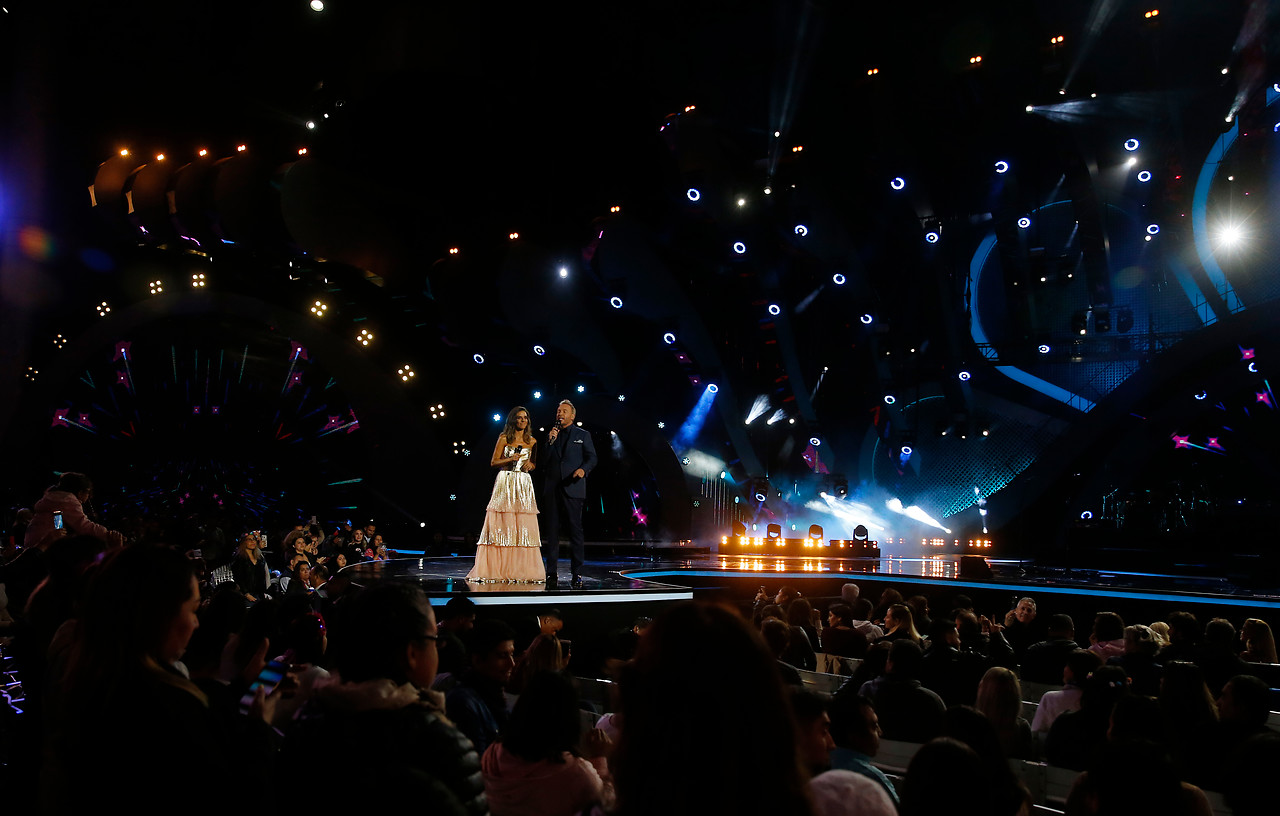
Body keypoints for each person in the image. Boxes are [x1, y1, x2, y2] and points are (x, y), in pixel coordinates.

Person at [467, 405, 544, 584]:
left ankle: (520, 570)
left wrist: (531, 465)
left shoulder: (532, 441)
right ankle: (496, 569)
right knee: (502, 524)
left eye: (525, 418)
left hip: (523, 483)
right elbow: (494, 462)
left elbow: (533, 463)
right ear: (513, 420)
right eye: (519, 417)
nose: (522, 420)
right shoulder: (504, 438)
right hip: (506, 481)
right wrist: (511, 459)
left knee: (522, 527)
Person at [540, 399, 597, 589]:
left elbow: (592, 458)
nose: (560, 414)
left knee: (575, 532)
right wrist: (550, 441)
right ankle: (551, 573)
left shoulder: (583, 435)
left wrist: (583, 470)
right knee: (552, 532)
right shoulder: (551, 435)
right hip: (553, 489)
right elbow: (544, 460)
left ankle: (577, 573)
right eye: (558, 411)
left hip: (573, 487)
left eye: (564, 411)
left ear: (572, 415)